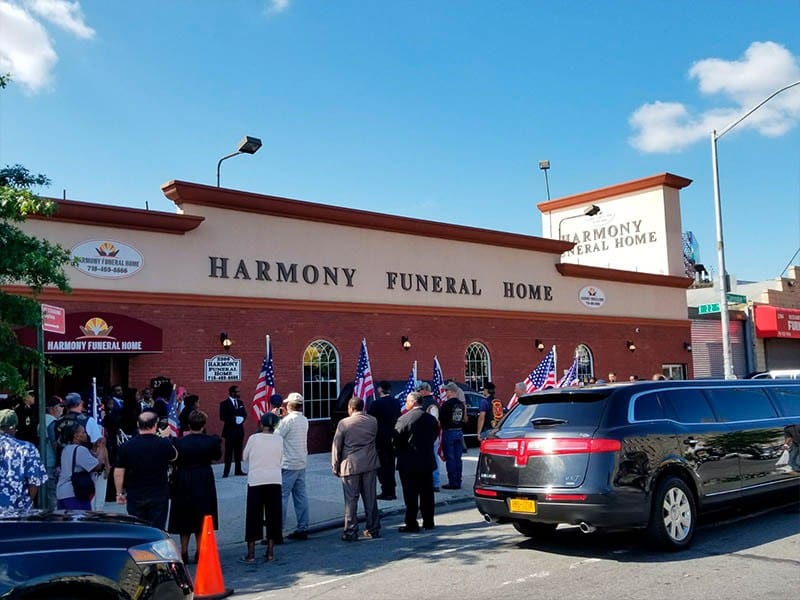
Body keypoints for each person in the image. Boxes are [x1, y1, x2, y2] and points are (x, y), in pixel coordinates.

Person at [168, 410, 222, 564]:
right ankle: (200, 551)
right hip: (204, 477)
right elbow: (217, 456)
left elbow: (173, 460)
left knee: (184, 515)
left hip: (184, 478)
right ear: (203, 425)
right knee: (202, 515)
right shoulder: (211, 441)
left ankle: (183, 552)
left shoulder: (178, 442)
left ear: (188, 425)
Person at [114, 411, 178, 529]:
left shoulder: (126, 446)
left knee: (138, 528)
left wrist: (119, 493)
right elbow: (174, 456)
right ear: (155, 425)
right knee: (158, 529)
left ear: (138, 425)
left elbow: (119, 471)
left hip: (135, 494)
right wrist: (163, 437)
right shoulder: (163, 443)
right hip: (158, 493)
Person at [332, 397, 381, 541]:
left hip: (350, 464)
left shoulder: (344, 423)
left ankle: (350, 531)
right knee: (370, 498)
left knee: (351, 501)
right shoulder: (373, 421)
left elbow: (336, 446)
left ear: (350, 408)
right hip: (370, 463)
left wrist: (335, 466)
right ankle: (373, 528)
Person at [241, 412, 284, 563]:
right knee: (273, 516)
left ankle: (251, 553)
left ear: (261, 424)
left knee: (253, 516)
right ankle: (270, 551)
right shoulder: (279, 439)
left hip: (256, 480)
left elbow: (244, 456)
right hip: (274, 479)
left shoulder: (254, 438)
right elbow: (281, 457)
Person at [393, 391, 439, 533]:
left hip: (409, 463)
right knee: (427, 493)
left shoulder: (403, 420)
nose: (405, 404)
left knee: (411, 495)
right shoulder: (431, 419)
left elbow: (395, 441)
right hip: (426, 461)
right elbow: (434, 435)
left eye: (407, 401)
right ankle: (428, 521)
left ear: (413, 402)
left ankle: (412, 523)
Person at [0, 409, 47, 515]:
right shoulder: (27, 448)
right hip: (16, 511)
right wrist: (27, 504)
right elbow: (34, 482)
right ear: (13, 427)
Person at [276, 392, 310, 541]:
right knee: (300, 496)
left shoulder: (287, 421)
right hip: (301, 461)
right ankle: (303, 527)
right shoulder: (304, 420)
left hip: (288, 463)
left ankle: (277, 531)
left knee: (282, 497)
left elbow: (276, 436)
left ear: (289, 405)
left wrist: (278, 419)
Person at [367, 380, 401, 500]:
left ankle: (387, 491)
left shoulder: (376, 404)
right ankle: (391, 490)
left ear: (380, 389)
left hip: (381, 439)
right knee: (391, 465)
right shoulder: (396, 402)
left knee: (382, 467)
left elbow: (370, 420)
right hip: (394, 437)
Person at [56, 423, 102, 510]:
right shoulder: (80, 450)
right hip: (74, 493)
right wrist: (101, 449)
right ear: (76, 435)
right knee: (81, 521)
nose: (86, 434)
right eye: (83, 432)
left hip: (62, 492)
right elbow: (96, 466)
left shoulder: (66, 449)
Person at [416, 382, 442, 491]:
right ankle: (434, 482)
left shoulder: (426, 404)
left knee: (429, 459)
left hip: (427, 435)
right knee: (434, 458)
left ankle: (432, 482)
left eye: (419, 390)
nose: (418, 392)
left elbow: (431, 421)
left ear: (424, 390)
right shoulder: (434, 402)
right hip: (433, 434)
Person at [439, 382, 466, 490]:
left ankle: (453, 482)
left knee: (450, 458)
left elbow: (442, 419)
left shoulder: (446, 405)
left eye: (447, 391)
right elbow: (463, 418)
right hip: (459, 431)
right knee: (458, 458)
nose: (446, 392)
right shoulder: (460, 404)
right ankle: (458, 480)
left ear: (451, 391)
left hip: (449, 432)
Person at [219, 385, 247, 477]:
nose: (239, 393)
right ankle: (226, 472)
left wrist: (242, 418)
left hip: (239, 431)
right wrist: (233, 419)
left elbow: (244, 414)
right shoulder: (224, 403)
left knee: (238, 452)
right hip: (230, 431)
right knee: (229, 452)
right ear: (232, 393)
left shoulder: (240, 402)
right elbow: (222, 417)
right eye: (237, 392)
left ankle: (238, 470)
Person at [42, 396, 64, 510]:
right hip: (50, 461)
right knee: (52, 493)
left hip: (43, 460)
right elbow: (54, 444)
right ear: (54, 408)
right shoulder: (52, 422)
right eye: (60, 406)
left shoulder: (41, 420)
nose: (62, 409)